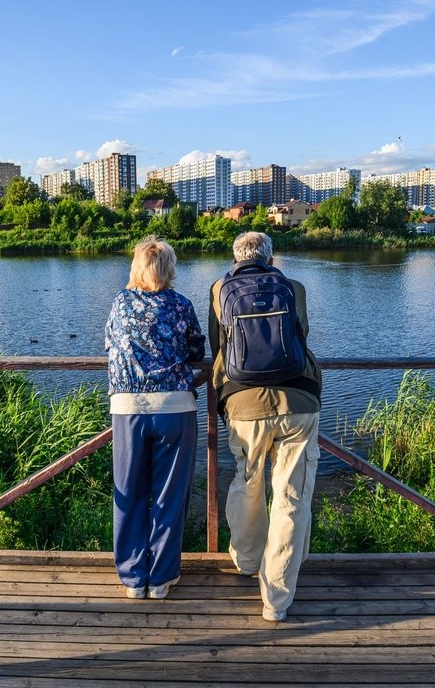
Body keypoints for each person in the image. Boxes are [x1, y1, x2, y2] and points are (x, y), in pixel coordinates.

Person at [208, 231, 322, 622]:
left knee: (247, 481)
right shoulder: (294, 288)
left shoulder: (219, 288)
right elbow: (301, 336)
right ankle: (276, 600)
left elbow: (218, 349)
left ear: (235, 257)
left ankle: (246, 560)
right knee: (291, 498)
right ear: (271, 259)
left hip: (242, 405)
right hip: (298, 401)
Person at [105, 236, 206, 600]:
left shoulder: (120, 303)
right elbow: (197, 348)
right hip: (174, 407)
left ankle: (133, 578)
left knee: (129, 492)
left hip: (129, 407)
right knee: (169, 494)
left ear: (136, 268)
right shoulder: (180, 304)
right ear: (169, 268)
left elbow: (109, 344)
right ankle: (161, 578)